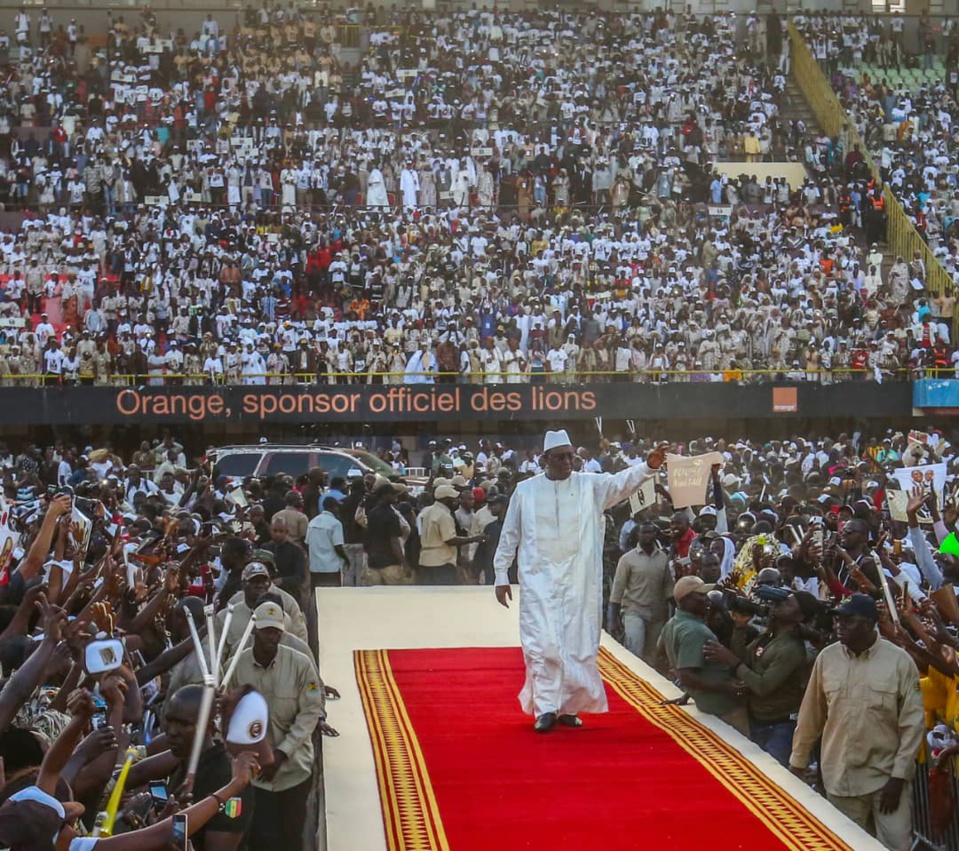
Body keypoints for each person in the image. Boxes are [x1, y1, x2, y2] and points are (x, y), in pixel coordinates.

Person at [492, 429, 665, 732]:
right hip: (538, 580)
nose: (568, 462)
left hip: (579, 580)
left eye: (571, 456)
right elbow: (510, 534)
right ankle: (545, 708)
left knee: (577, 644)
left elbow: (621, 484)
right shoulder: (526, 491)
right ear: (545, 459)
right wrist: (500, 574)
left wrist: (648, 467)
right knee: (541, 644)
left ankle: (569, 707)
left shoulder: (591, 486)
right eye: (560, 457)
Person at [789, 594, 924, 851]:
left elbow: (912, 725)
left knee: (896, 845)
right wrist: (798, 761)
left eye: (849, 621)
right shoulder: (827, 659)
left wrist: (899, 776)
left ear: (870, 623)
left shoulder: (899, 661)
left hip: (887, 779)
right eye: (838, 619)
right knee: (844, 846)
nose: (840, 625)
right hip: (841, 778)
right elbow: (811, 715)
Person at [231, 602, 325, 848]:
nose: (271, 636)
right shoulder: (236, 666)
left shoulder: (301, 664)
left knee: (291, 837)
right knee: (259, 837)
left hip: (294, 770)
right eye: (266, 631)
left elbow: (310, 711)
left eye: (276, 631)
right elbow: (228, 713)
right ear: (254, 631)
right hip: (253, 774)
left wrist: (282, 753)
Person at [703, 591, 814, 766]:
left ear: (799, 616)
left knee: (774, 779)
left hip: (781, 726)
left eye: (788, 604)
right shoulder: (768, 638)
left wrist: (730, 660)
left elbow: (762, 686)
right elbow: (744, 661)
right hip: (759, 721)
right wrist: (740, 627)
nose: (780, 604)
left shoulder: (791, 649)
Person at [659, 575, 749, 734]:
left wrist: (688, 693)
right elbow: (686, 675)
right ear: (685, 600)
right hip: (722, 708)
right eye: (700, 595)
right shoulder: (695, 631)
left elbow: (662, 651)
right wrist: (725, 687)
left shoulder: (672, 623)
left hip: (707, 703)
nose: (707, 600)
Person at [608, 522, 673, 668]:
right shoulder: (627, 559)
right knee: (634, 652)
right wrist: (613, 619)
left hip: (657, 614)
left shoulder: (663, 558)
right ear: (638, 535)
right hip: (634, 611)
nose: (647, 535)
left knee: (652, 656)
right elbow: (617, 591)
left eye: (650, 532)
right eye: (644, 532)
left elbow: (669, 588)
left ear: (655, 534)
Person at [417, 484, 485, 585]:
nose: (456, 501)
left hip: (425, 560)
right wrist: (473, 538)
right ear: (446, 500)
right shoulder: (444, 515)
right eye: (453, 498)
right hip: (441, 562)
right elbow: (450, 539)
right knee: (444, 596)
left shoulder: (426, 512)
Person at [364, 484, 410, 585]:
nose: (395, 497)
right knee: (394, 597)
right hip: (390, 562)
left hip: (373, 561)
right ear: (384, 495)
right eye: (392, 494)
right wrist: (404, 563)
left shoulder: (371, 513)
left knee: (376, 597)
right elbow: (394, 541)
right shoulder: (391, 515)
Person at [305, 496, 349, 588]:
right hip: (331, 568)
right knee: (332, 595)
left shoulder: (312, 522)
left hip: (315, 567)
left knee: (317, 595)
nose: (338, 509)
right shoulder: (335, 524)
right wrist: (346, 559)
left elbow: (307, 543)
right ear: (331, 508)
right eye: (336, 507)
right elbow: (338, 547)